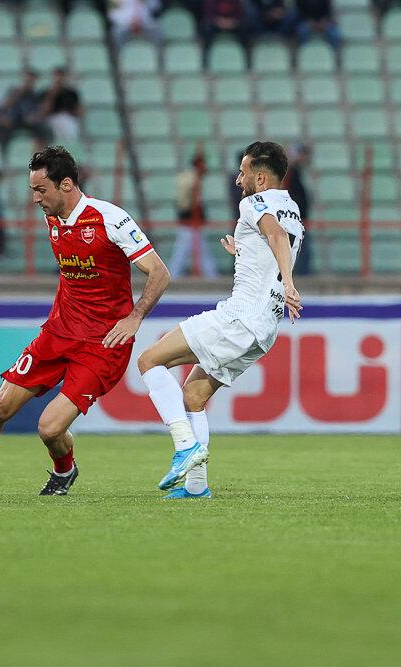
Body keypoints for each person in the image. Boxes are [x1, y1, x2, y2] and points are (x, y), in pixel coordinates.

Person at [0, 146, 170, 496]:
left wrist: (135, 318)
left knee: (49, 428)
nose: (35, 199)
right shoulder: (53, 215)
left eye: (41, 190)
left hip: (103, 344)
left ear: (67, 185)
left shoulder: (110, 218)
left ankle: (64, 471)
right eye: (32, 191)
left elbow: (159, 273)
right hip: (58, 332)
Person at [137, 141, 303, 499]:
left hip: (240, 317)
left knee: (149, 360)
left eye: (243, 172)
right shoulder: (291, 207)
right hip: (265, 328)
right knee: (194, 395)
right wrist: (242, 250)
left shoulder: (253, 202)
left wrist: (290, 284)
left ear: (260, 177)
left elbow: (274, 236)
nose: (238, 178)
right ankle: (197, 488)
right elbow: (275, 243)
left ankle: (184, 446)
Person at [169, 154, 218, 278]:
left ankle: (212, 276)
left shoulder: (193, 179)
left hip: (193, 222)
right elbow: (184, 202)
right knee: (183, 252)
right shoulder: (190, 179)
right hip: (189, 222)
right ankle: (172, 276)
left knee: (198, 252)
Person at [286, 143, 312, 275]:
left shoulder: (295, 173)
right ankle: (302, 274)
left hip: (298, 217)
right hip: (295, 218)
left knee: (301, 249)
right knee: (300, 249)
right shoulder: (290, 174)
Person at [41, 69, 83, 143]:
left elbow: (79, 110)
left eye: (61, 76)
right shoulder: (46, 92)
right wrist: (52, 94)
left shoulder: (71, 93)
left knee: (70, 126)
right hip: (52, 118)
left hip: (69, 117)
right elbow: (45, 111)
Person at [5, 70, 47, 141]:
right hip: (13, 120)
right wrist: (20, 92)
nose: (28, 83)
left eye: (31, 81)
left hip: (28, 121)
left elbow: (39, 111)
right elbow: (5, 105)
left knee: (42, 128)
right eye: (27, 80)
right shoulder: (14, 90)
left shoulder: (34, 95)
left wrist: (34, 117)